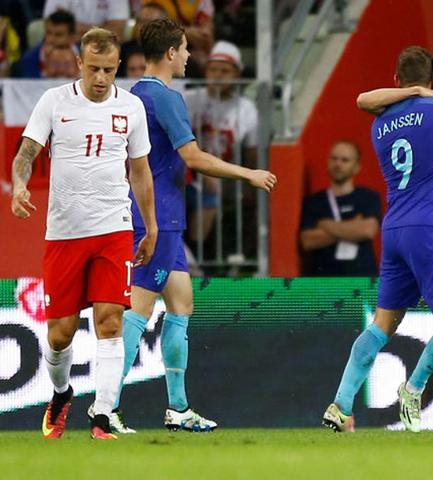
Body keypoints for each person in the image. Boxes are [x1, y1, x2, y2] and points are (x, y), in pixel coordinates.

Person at [87, 18, 276, 434]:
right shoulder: (166, 98)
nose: (190, 56)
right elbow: (192, 157)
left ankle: (177, 408)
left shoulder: (133, 94)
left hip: (151, 215)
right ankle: (105, 407)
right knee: (136, 312)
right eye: (186, 49)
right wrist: (248, 174)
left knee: (181, 303)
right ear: (171, 53)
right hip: (157, 219)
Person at [322, 46, 433, 434]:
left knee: (382, 324)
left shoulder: (380, 122)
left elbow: (364, 100)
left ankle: (340, 406)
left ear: (396, 80)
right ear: (430, 81)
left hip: (395, 229)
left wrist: (413, 93)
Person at [11, 27, 157, 440]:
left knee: (110, 322)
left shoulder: (130, 108)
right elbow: (26, 153)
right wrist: (20, 185)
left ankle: (103, 415)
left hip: (114, 228)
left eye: (109, 70)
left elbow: (141, 172)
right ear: (79, 63)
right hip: (64, 232)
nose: (100, 78)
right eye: (93, 68)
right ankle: (61, 394)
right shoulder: (54, 101)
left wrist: (151, 226)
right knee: (60, 333)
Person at [184, 40, 258, 263]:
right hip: (187, 170)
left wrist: (250, 186)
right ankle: (194, 257)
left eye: (224, 71)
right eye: (213, 70)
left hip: (225, 176)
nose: (217, 76)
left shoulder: (246, 109)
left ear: (237, 73)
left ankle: (200, 258)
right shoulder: (190, 100)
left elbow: (251, 153)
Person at [299, 140, 381, 276]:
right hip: (323, 282)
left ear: (356, 167)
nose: (338, 164)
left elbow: (367, 230)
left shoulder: (368, 197)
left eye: (345, 160)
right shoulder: (314, 201)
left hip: (362, 280)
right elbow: (308, 241)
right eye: (334, 158)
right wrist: (353, 226)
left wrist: (325, 225)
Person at [13, 9, 77, 78]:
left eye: (58, 35)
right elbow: (29, 86)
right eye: (48, 33)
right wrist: (46, 69)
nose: (51, 39)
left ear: (72, 37)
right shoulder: (30, 58)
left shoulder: (85, 54)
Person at [43, 0, 130, 42]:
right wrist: (102, 28)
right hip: (67, 44)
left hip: (103, 45)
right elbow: (54, 26)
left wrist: (76, 29)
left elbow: (116, 32)